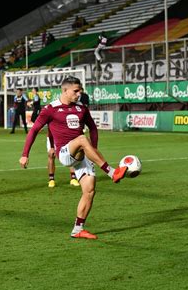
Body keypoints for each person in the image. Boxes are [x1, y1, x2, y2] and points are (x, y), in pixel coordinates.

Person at [19, 76, 128, 240]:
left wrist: (94, 150)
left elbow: (93, 128)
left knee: (89, 190)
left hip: (82, 154)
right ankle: (112, 172)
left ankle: (78, 229)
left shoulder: (81, 108)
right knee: (83, 139)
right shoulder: (50, 109)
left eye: (80, 91)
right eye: (76, 91)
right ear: (65, 90)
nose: (79, 94)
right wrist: (25, 154)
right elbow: (34, 130)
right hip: (65, 153)